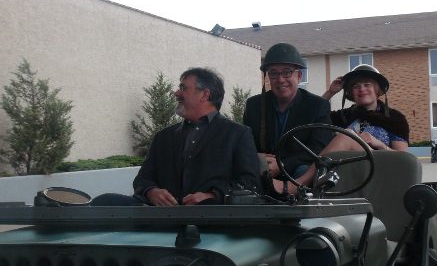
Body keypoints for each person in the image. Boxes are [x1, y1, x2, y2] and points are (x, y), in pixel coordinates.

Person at [92, 67, 260, 206]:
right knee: (103, 202)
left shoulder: (237, 134)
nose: (176, 93)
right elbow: (143, 179)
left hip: (210, 220)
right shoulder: (163, 137)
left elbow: (250, 183)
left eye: (183, 88)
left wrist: (212, 195)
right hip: (162, 219)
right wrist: (151, 191)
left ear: (205, 95)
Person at [274, 64, 410, 194]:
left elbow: (403, 160)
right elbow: (314, 117)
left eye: (367, 85)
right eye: (356, 86)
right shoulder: (343, 116)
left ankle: (297, 185)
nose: (362, 89)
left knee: (348, 135)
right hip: (346, 172)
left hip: (379, 168)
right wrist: (330, 92)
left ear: (377, 89)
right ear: (350, 93)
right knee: (304, 166)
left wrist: (378, 144)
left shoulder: (395, 119)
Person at [243, 43, 332, 184]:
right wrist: (257, 158)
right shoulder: (254, 105)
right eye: (273, 73)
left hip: (297, 177)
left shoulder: (317, 106)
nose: (280, 79)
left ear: (299, 76)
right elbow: (246, 144)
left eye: (287, 72)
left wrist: (283, 165)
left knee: (305, 170)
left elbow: (319, 148)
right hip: (261, 171)